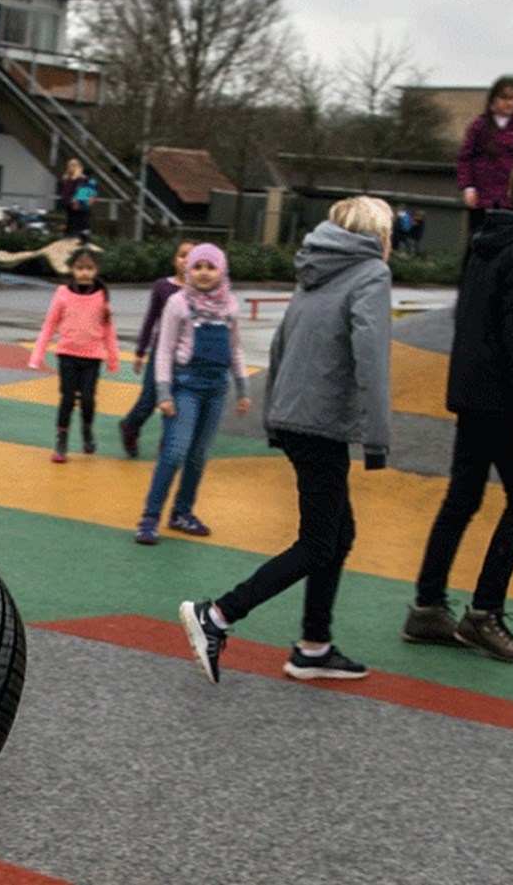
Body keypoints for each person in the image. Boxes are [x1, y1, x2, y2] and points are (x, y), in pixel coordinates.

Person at [177, 198, 392, 684]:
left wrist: (275, 413)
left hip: (296, 414)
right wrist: (377, 438)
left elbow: (281, 342)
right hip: (320, 422)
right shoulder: (370, 273)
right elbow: (373, 357)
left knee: (339, 535)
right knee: (319, 543)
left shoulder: (317, 266)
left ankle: (314, 647)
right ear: (378, 236)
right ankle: (218, 616)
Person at [401, 154, 513, 664]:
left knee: (463, 497)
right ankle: (484, 613)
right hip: (503, 401)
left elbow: (478, 319)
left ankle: (427, 606)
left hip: (472, 392)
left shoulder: (486, 244)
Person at [134, 242, 250, 545]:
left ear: (221, 269)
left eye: (210, 266)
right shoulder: (178, 303)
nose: (203, 273)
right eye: (197, 266)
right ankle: (150, 517)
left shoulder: (230, 305)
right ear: (188, 270)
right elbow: (164, 350)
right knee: (175, 452)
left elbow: (235, 348)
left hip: (216, 388)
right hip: (185, 386)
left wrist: (243, 387)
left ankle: (182, 512)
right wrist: (163, 392)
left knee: (198, 456)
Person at [28, 247, 120, 463]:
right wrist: (37, 355)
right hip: (67, 355)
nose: (85, 273)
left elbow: (108, 330)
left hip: (92, 358)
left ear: (96, 270)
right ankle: (61, 442)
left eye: (89, 268)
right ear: (72, 269)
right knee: (67, 399)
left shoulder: (101, 295)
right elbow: (49, 325)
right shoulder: (63, 293)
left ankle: (87, 431)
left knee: (88, 400)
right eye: (80, 268)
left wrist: (113, 358)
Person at [120, 240, 195, 459]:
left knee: (179, 401)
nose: (186, 260)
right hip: (161, 354)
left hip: (187, 357)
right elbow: (150, 319)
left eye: (191, 256)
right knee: (149, 399)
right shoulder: (163, 287)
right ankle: (130, 426)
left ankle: (168, 443)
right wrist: (140, 351)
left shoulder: (200, 291)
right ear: (174, 259)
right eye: (182, 255)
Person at [457, 75, 513, 252]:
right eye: (504, 98)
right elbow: (465, 158)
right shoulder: (479, 126)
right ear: (494, 99)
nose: (509, 103)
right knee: (477, 243)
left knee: (506, 245)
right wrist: (468, 188)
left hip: (510, 198)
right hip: (483, 197)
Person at [56, 158, 94, 240]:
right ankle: (69, 234)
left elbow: (82, 193)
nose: (70, 167)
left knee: (77, 221)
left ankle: (77, 235)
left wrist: (76, 201)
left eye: (73, 166)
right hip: (68, 203)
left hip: (77, 204)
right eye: (69, 165)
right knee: (70, 220)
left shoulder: (82, 179)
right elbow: (65, 190)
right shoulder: (67, 178)